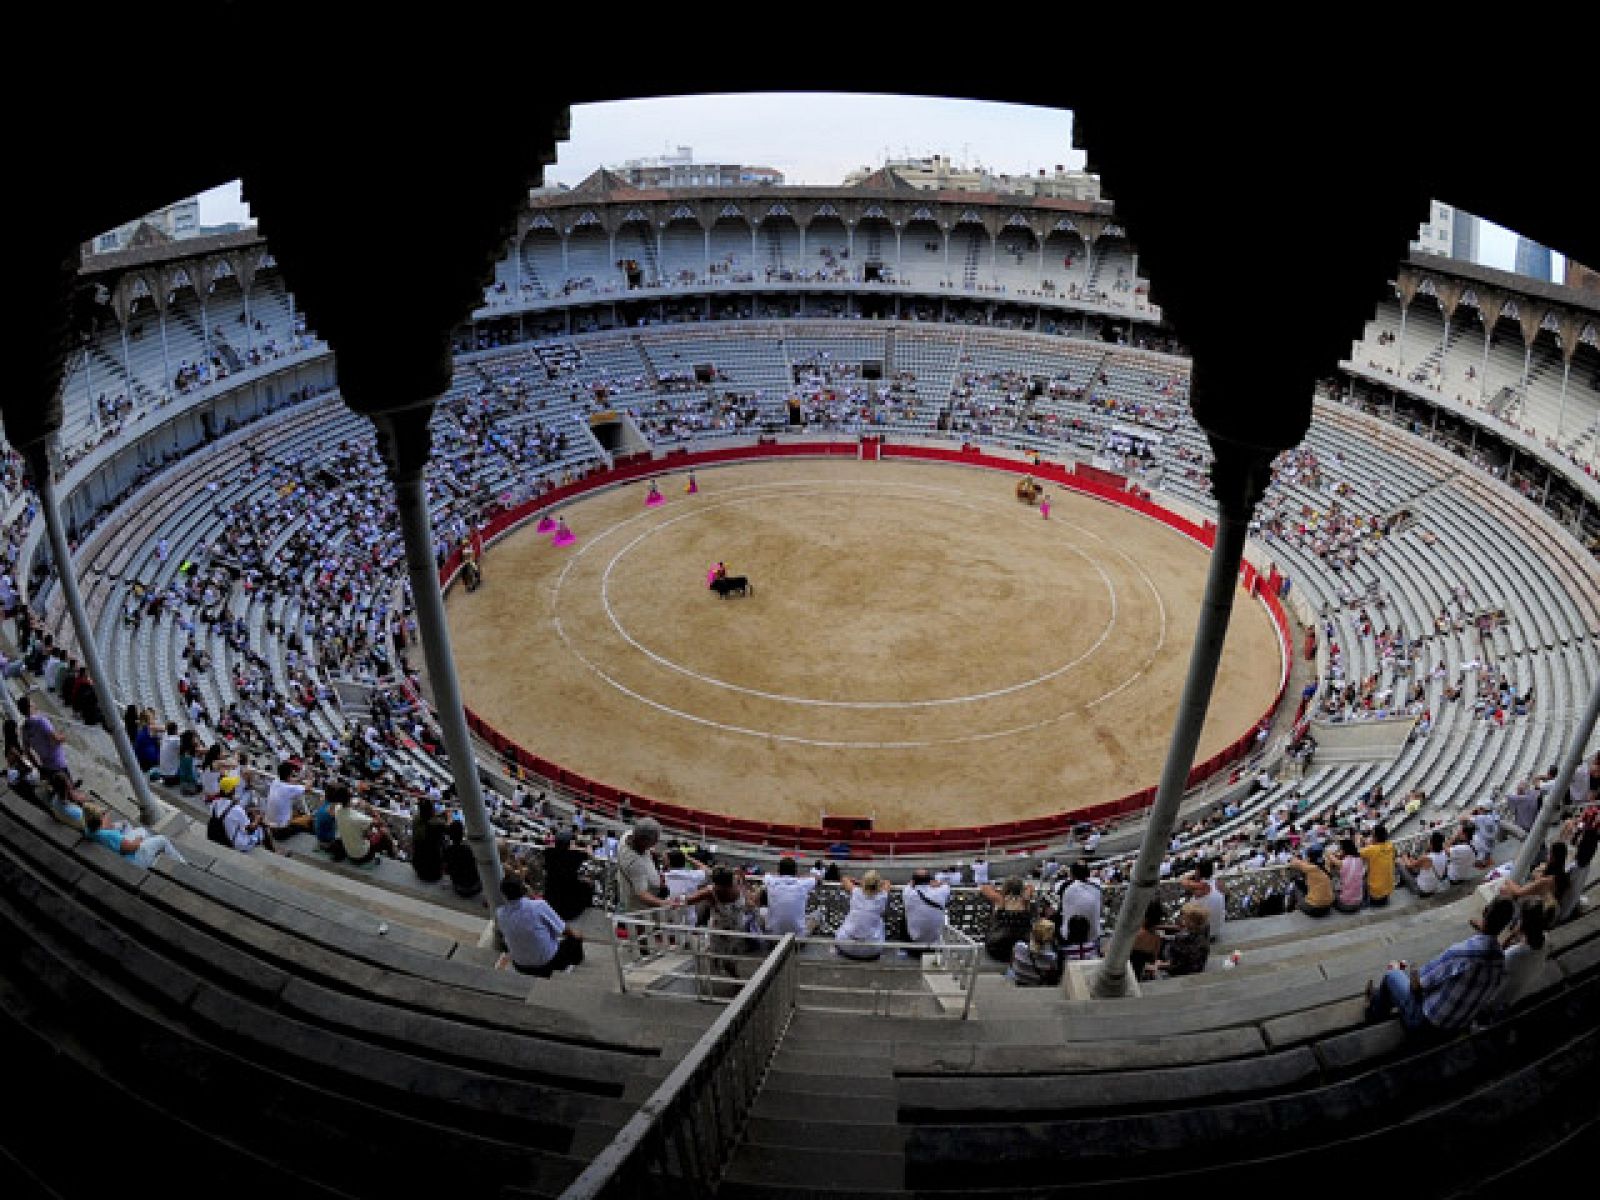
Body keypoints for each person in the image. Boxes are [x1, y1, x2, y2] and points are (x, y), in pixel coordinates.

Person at [1364, 897, 1514, 1035]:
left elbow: (1416, 986)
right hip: (1457, 1027)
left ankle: (1373, 1013)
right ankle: (1379, 998)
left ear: (1485, 911)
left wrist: (1408, 970)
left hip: (1425, 1023)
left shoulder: (1461, 953)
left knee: (1392, 976)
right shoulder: (1501, 961)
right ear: (1505, 925)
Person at [495, 874, 583, 977]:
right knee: (576, 938)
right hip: (547, 964)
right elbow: (564, 930)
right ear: (524, 888)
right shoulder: (539, 906)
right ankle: (572, 964)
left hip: (520, 965)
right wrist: (577, 935)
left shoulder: (499, 913)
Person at [83, 804, 186, 869]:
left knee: (128, 825)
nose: (107, 814)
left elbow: (108, 835)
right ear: (100, 819)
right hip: (133, 861)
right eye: (104, 813)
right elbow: (132, 848)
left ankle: (152, 851)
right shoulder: (110, 835)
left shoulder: (89, 831)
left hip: (116, 857)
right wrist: (139, 839)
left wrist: (110, 826)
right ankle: (182, 864)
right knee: (162, 840)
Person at [615, 817, 675, 913]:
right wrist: (664, 903)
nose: (657, 842)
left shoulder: (629, 835)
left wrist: (650, 852)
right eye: (655, 840)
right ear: (645, 841)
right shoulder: (635, 863)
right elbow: (642, 894)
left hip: (636, 890)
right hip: (639, 906)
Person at [834, 870, 889, 960]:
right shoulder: (882, 896)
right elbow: (887, 882)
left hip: (845, 945)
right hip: (872, 950)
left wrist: (859, 882)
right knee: (880, 921)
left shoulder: (856, 892)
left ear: (864, 883)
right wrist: (871, 883)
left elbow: (844, 879)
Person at [979, 876, 1035, 963]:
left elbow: (984, 888)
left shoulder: (1000, 900)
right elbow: (1031, 887)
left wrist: (998, 890)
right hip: (1021, 950)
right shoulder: (1025, 901)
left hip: (998, 947)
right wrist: (1025, 891)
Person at [542, 831, 595, 921]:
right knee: (588, 883)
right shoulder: (575, 855)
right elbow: (590, 854)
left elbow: (548, 847)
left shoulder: (549, 852)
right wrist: (587, 844)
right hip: (569, 887)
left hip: (551, 887)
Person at [761, 856, 817, 937]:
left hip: (773, 935)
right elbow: (816, 877)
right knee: (816, 916)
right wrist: (799, 876)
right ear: (795, 871)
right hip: (797, 937)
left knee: (762, 910)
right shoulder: (804, 883)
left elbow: (767, 874)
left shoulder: (771, 881)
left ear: (779, 870)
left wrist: (778, 875)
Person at [1052, 861, 1103, 950]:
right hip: (1094, 934)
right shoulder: (1097, 886)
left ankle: (1060, 952)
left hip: (1070, 935)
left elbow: (1057, 890)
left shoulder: (1065, 886)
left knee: (1055, 917)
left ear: (1072, 874)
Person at [901, 867, 950, 957]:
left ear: (914, 881)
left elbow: (909, 885)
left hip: (915, 941)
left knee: (905, 915)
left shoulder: (907, 893)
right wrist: (938, 884)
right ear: (930, 880)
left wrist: (913, 883)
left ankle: (905, 948)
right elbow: (946, 885)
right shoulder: (941, 891)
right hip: (935, 942)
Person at [18, 695, 69, 782]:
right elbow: (56, 739)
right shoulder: (41, 721)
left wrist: (38, 767)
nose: (34, 703)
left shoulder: (24, 728)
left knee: (59, 786)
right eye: (32, 702)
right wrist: (64, 736)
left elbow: (26, 750)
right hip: (58, 761)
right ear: (30, 707)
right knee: (68, 786)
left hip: (46, 765)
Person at [1155, 903, 1211, 977]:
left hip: (1181, 972)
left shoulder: (1184, 942)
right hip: (1193, 966)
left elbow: (1176, 966)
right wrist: (1159, 927)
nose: (1182, 918)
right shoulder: (1202, 931)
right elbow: (1180, 928)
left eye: (1184, 917)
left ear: (1192, 922)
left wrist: (1159, 965)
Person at [263, 760, 314, 841]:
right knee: (309, 818)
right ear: (289, 775)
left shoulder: (276, 781)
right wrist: (311, 778)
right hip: (281, 830)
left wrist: (299, 779)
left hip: (269, 823)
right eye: (292, 774)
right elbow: (308, 788)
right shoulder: (289, 788)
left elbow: (290, 781)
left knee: (297, 813)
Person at [409, 794, 450, 883]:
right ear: (432, 812)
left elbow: (427, 818)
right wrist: (448, 816)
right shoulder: (436, 825)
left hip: (418, 869)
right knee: (445, 844)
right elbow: (450, 829)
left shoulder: (416, 820)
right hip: (434, 874)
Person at [1007, 918, 1060, 986]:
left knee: (1010, 970)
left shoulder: (1018, 946)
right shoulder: (1052, 957)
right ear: (1050, 938)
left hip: (1018, 981)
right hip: (1034, 985)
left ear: (1032, 932)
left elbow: (1012, 964)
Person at [1399, 829, 1449, 896]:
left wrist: (1404, 856)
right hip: (1435, 887)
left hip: (1421, 890)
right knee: (1415, 866)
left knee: (1400, 864)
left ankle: (1403, 883)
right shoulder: (1445, 853)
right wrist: (1411, 859)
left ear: (1431, 844)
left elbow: (1409, 866)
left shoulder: (1427, 858)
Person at [1287, 846, 1334, 917]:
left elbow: (1294, 862)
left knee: (1295, 888)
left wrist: (1294, 857)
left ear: (1309, 857)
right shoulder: (1326, 865)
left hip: (1315, 909)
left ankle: (1288, 911)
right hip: (1328, 907)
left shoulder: (1310, 868)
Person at [1359, 824, 1397, 907]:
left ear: (1375, 837)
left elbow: (1357, 853)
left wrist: (1362, 842)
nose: (1371, 837)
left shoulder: (1372, 849)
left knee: (1363, 875)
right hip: (1388, 891)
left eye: (1372, 835)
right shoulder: (1390, 846)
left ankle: (1364, 901)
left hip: (1375, 895)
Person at [443, 820, 482, 898]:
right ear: (462, 833)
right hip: (474, 888)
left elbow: (446, 870)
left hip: (459, 888)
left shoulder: (448, 850)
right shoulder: (469, 849)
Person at [1328, 836, 1366, 913]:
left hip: (1346, 905)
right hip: (1359, 901)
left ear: (1344, 850)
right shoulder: (1359, 860)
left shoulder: (1342, 863)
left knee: (1332, 891)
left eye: (1340, 849)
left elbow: (1330, 856)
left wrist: (1333, 853)